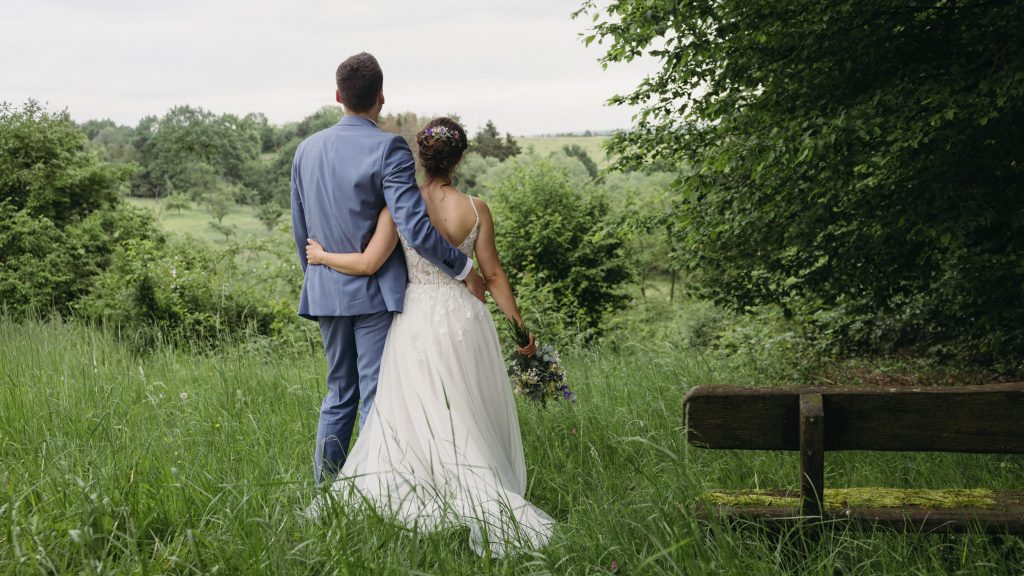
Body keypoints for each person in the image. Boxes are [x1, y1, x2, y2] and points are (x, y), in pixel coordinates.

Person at [303, 117, 554, 556]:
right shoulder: (476, 209)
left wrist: (322, 256)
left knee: (413, 410)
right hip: (464, 320)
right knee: (464, 408)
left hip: (415, 318)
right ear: (459, 158)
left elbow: (367, 262)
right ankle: (476, 484)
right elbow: (492, 274)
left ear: (421, 156)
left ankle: (421, 483)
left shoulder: (399, 206)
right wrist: (520, 331)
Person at [290, 52, 487, 484]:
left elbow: (299, 231)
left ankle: (326, 490)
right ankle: (378, 493)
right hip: (375, 294)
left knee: (338, 393)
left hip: (325, 290)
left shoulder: (305, 150)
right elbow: (414, 227)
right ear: (381, 97)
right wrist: (463, 267)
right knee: (377, 396)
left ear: (338, 95)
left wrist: (321, 277)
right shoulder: (388, 147)